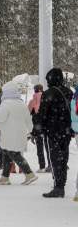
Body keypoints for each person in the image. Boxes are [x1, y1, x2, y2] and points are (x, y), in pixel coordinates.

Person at [0, 82, 38, 186]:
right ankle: (5, 177)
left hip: (8, 134)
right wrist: (32, 131)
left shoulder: (5, 103)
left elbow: (1, 117)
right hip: (20, 133)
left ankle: (29, 174)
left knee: (14, 154)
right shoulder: (21, 103)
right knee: (7, 154)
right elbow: (28, 120)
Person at [39, 68, 73, 198]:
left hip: (52, 131)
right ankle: (61, 184)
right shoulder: (69, 92)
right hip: (66, 130)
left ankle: (58, 187)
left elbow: (43, 114)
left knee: (54, 159)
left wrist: (38, 126)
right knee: (63, 158)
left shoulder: (48, 93)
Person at [28, 84, 51, 173]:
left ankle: (42, 166)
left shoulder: (32, 101)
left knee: (40, 148)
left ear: (35, 90)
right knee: (48, 146)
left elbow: (28, 112)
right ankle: (50, 165)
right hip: (47, 126)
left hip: (37, 127)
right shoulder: (47, 98)